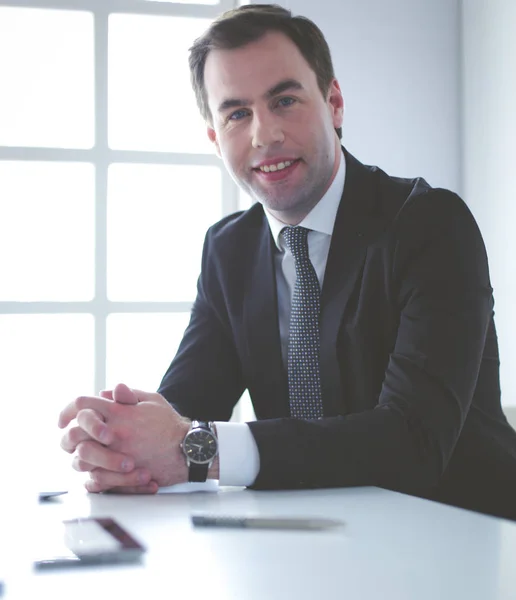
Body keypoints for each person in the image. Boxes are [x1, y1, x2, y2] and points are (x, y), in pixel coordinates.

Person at [59, 4, 516, 520]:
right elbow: (185, 410)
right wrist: (120, 440)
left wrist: (192, 447)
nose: (264, 135)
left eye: (285, 100)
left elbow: (412, 442)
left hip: (468, 538)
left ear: (334, 103)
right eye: (236, 114)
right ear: (215, 137)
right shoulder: (228, 250)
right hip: (309, 542)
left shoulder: (430, 225)